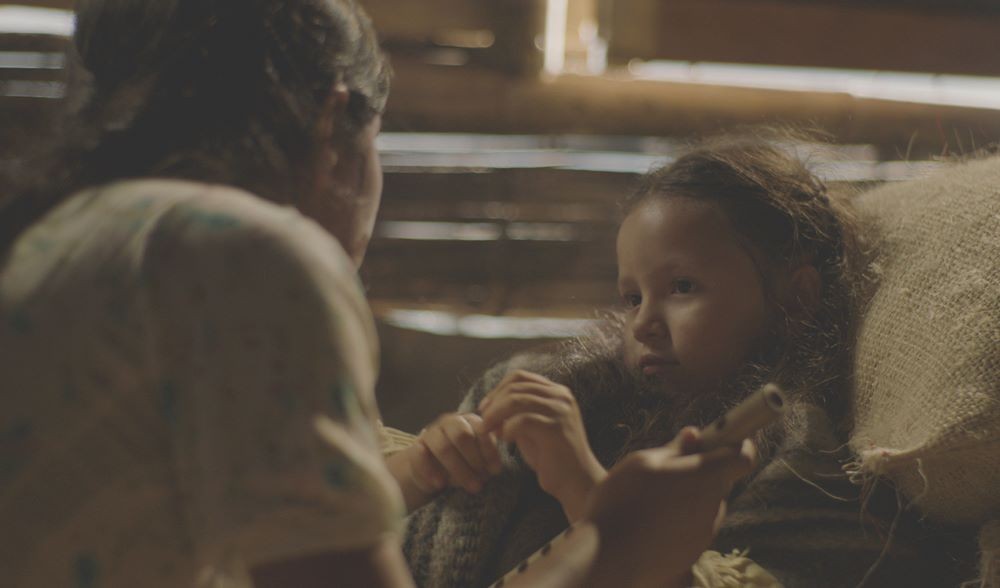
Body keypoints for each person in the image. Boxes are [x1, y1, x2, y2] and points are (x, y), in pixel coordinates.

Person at [0, 1, 758, 587]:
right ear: (336, 120)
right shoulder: (248, 258)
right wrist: (620, 545)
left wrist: (411, 478)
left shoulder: (59, 246)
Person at [404, 137, 974, 587]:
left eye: (681, 286)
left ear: (794, 299)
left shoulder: (800, 461)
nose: (644, 323)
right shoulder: (567, 395)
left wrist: (584, 489)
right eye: (632, 297)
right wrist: (430, 467)